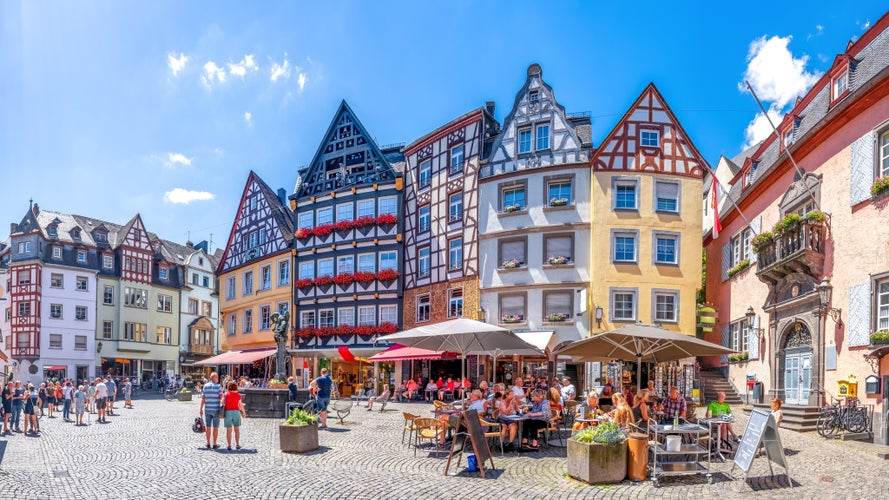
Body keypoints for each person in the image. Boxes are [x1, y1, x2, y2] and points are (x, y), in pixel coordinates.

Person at [199, 372, 223, 449]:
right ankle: (215, 444)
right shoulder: (218, 386)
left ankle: (208, 443)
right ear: (214, 378)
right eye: (217, 377)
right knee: (215, 427)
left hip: (207, 409)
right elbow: (221, 397)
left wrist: (201, 409)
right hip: (216, 409)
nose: (218, 379)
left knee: (208, 427)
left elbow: (203, 398)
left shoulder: (205, 386)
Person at [222, 381, 247, 450]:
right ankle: (237, 444)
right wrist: (244, 413)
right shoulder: (238, 395)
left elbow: (222, 402)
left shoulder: (226, 394)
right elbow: (241, 405)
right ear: (236, 387)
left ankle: (229, 445)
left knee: (228, 430)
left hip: (228, 413)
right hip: (236, 412)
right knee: (237, 429)